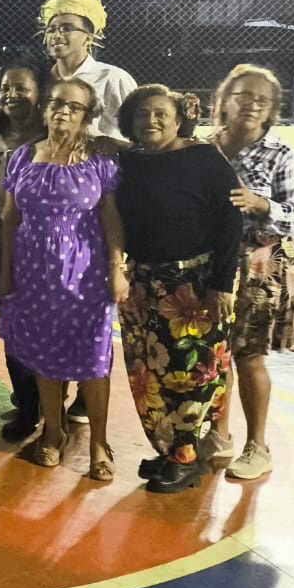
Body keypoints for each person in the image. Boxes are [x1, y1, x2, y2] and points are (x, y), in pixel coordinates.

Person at [0, 79, 128, 480]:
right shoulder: (23, 156)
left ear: (87, 115)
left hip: (86, 275)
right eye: (55, 103)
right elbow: (9, 219)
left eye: (73, 106)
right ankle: (54, 431)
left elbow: (111, 218)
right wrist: (4, 270)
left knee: (93, 358)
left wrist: (117, 268)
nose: (62, 111)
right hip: (33, 273)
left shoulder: (99, 160)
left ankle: (99, 442)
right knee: (44, 353)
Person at [115, 84, 242, 494]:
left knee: (190, 371)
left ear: (178, 118)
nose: (151, 120)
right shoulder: (130, 161)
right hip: (141, 281)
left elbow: (231, 221)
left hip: (193, 285)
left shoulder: (204, 158)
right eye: (141, 114)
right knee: (149, 369)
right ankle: (170, 447)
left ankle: (186, 455)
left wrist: (222, 284)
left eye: (160, 113)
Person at [209, 65, 294, 482]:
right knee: (213, 353)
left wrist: (262, 205)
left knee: (248, 354)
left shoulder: (282, 155)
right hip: (211, 263)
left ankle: (258, 446)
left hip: (260, 268)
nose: (252, 104)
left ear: (271, 110)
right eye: (243, 96)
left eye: (262, 100)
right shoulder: (203, 147)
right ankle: (218, 436)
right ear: (224, 102)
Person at [0, 58, 52, 436]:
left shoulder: (56, 137)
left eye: (21, 87)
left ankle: (53, 405)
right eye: (5, 87)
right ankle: (28, 405)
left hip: (53, 254)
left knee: (52, 331)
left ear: (40, 93)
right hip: (8, 253)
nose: (11, 94)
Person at [40, 0, 135, 138]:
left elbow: (136, 129)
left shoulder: (113, 78)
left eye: (66, 28)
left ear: (88, 38)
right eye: (51, 30)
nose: (56, 35)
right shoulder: (42, 80)